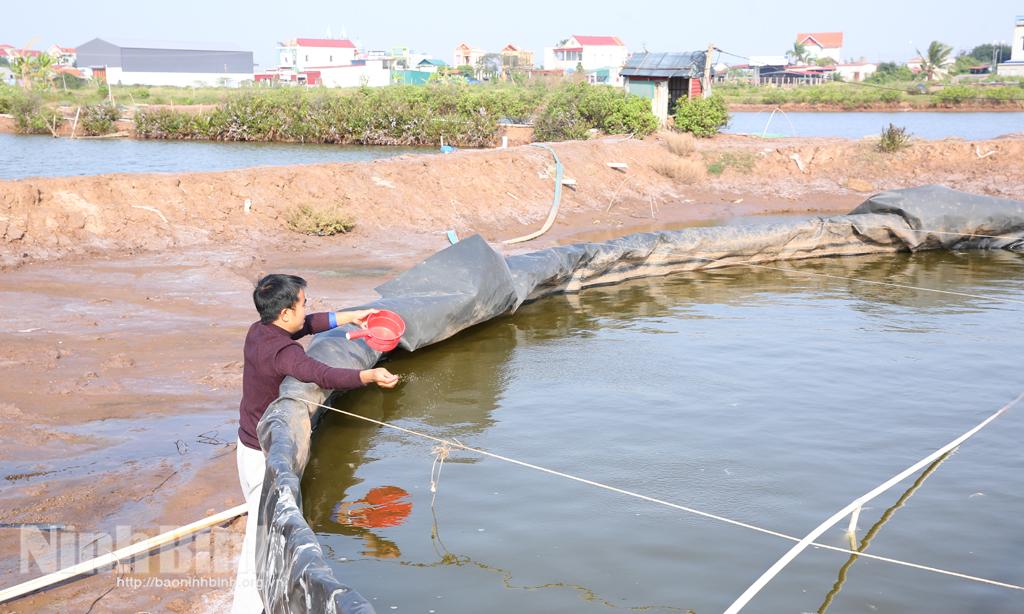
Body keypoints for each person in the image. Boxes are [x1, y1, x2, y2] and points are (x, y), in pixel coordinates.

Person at [232, 274, 399, 613]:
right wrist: (367, 376)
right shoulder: (284, 352)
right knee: (258, 543)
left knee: (259, 522)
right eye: (302, 304)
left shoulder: (259, 331)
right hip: (266, 455)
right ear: (284, 314)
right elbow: (321, 374)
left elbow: (308, 325)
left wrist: (351, 317)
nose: (306, 310)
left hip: (246, 441)